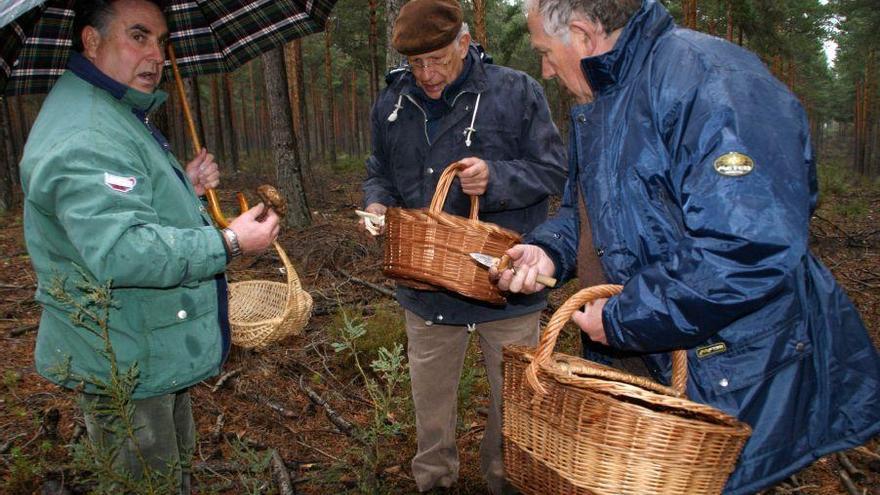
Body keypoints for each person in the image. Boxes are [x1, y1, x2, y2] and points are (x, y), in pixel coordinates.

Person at [493, 0, 880, 493]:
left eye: (546, 52)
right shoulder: (606, 100)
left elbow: (748, 246)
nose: (545, 69)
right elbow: (587, 211)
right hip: (649, 359)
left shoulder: (712, 82)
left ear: (583, 34)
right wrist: (547, 249)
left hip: (731, 370)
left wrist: (621, 318)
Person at [18, 0, 279, 492]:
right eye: (138, 37)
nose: (157, 55)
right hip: (123, 354)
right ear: (91, 42)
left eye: (161, 41)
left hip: (144, 345)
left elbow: (117, 206)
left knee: (169, 473)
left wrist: (183, 183)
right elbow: (122, 251)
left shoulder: (109, 111)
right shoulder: (88, 130)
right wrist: (229, 242)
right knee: (148, 482)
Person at [360, 0, 567, 491]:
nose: (428, 74)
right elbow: (379, 172)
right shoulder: (391, 104)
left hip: (508, 283)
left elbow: (554, 170)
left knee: (513, 409)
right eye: (416, 63)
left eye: (438, 59)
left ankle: (504, 481)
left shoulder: (515, 92)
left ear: (464, 40)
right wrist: (375, 204)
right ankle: (435, 483)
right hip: (426, 287)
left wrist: (497, 178)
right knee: (430, 415)